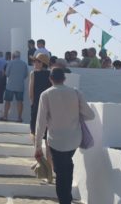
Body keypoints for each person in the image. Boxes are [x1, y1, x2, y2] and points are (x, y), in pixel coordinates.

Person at [34, 68, 95, 204]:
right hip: (74, 140)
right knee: (65, 166)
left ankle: (65, 200)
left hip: (55, 141)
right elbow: (90, 115)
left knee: (61, 172)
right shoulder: (76, 93)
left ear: (50, 79)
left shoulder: (46, 94)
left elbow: (41, 122)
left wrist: (37, 146)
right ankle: (67, 198)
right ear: (64, 79)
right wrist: (76, 115)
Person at [29, 52, 53, 173]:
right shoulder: (51, 75)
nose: (34, 63)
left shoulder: (33, 74)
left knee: (34, 134)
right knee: (48, 139)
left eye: (36, 61)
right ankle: (49, 168)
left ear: (42, 63)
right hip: (49, 108)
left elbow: (31, 94)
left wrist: (33, 104)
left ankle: (41, 162)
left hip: (37, 107)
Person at [0, 51, 28, 122]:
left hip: (10, 85)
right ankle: (19, 118)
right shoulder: (24, 64)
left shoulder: (10, 63)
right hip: (20, 86)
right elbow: (25, 75)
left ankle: (5, 116)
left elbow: (7, 74)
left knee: (7, 101)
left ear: (13, 56)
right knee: (20, 102)